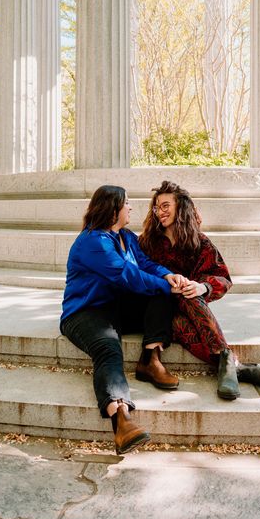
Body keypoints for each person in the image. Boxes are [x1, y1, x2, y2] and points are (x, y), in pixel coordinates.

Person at [60, 185, 184, 455]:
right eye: (127, 203)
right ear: (113, 208)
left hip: (117, 308)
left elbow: (145, 265)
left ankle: (151, 359)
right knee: (108, 348)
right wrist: (166, 285)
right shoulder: (92, 242)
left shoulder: (126, 236)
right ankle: (122, 419)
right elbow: (127, 275)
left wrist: (167, 276)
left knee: (159, 294)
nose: (131, 208)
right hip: (85, 312)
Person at [139, 180, 260, 401]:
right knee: (182, 301)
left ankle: (228, 364)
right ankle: (234, 366)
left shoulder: (198, 242)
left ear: (180, 207)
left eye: (165, 206)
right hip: (159, 309)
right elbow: (139, 274)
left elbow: (223, 277)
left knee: (189, 296)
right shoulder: (148, 243)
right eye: (156, 207)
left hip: (190, 307)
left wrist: (202, 286)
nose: (159, 212)